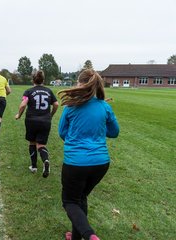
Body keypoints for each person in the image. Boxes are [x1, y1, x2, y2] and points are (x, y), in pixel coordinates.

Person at [57, 69, 119, 240]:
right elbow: (114, 132)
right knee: (80, 197)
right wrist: (96, 129)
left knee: (70, 201)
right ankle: (76, 237)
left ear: (80, 83)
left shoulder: (71, 107)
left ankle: (90, 236)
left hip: (76, 163)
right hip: (101, 163)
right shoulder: (104, 106)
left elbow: (62, 133)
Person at [15, 70, 58, 178]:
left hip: (31, 121)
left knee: (32, 143)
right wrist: (51, 115)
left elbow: (23, 105)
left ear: (32, 79)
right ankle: (46, 161)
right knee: (41, 145)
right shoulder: (49, 91)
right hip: (45, 121)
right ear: (43, 79)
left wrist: (19, 115)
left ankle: (34, 167)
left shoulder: (28, 91)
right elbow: (56, 104)